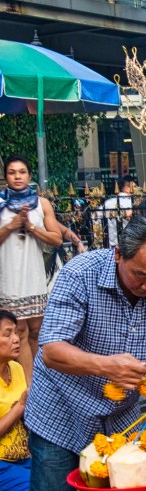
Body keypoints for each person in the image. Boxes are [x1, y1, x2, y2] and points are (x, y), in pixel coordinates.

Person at [25, 214, 146, 491]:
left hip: (121, 416)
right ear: (119, 254)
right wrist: (107, 367)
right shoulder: (80, 274)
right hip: (61, 410)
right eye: (141, 275)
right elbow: (52, 350)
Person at [0, 155, 62, 383]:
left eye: (22, 172)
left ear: (29, 175)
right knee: (20, 332)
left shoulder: (41, 203)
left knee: (37, 332)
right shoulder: (0, 202)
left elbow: (56, 239)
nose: (17, 176)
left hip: (34, 276)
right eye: (12, 172)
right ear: (6, 176)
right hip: (8, 277)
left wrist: (31, 227)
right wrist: (12, 226)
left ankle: (41, 382)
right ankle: (28, 386)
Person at [0, 310, 31, 491]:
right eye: (7, 334)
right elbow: (21, 407)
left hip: (23, 460)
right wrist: (20, 406)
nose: (16, 339)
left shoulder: (16, 368)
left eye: (16, 332)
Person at [104, 175, 138, 246]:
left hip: (112, 241)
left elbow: (95, 215)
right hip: (130, 241)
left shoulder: (108, 202)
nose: (136, 189)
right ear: (127, 188)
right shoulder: (131, 202)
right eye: (134, 186)